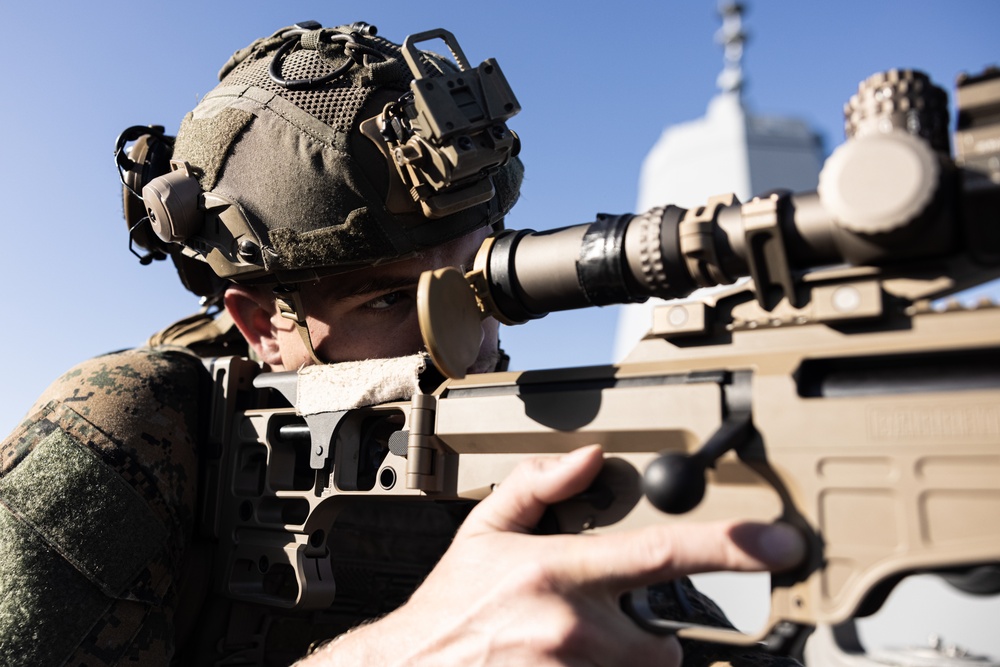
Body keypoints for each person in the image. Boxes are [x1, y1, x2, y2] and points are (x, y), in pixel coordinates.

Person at [0, 20, 804, 666]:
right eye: (392, 298)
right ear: (260, 326)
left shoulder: (530, 464)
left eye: (484, 272)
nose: (477, 335)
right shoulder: (136, 430)